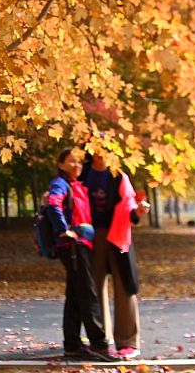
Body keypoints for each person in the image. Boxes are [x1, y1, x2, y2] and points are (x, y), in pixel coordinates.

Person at [48, 148, 116, 362]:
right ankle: (99, 345)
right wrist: (63, 230)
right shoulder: (60, 184)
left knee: (76, 295)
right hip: (72, 246)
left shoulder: (77, 185)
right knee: (88, 293)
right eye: (71, 161)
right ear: (61, 164)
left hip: (81, 245)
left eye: (78, 161)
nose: (76, 165)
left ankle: (72, 345)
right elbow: (53, 204)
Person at [83, 151, 149, 360]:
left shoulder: (119, 176)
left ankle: (128, 341)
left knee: (124, 286)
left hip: (118, 235)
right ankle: (101, 339)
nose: (103, 153)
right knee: (94, 287)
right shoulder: (83, 174)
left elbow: (129, 206)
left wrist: (137, 212)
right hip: (91, 236)